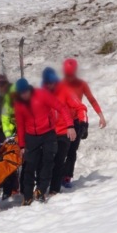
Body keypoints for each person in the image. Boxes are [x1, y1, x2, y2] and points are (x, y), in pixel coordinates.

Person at [14, 78, 76, 205]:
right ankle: (27, 195)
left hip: (48, 133)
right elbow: (20, 125)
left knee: (48, 162)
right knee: (30, 166)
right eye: (21, 93)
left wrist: (70, 125)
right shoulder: (19, 104)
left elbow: (61, 107)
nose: (24, 95)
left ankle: (41, 190)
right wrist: (21, 145)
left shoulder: (41, 94)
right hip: (31, 136)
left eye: (25, 91)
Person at [41, 67, 87, 195]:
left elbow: (80, 107)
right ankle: (42, 187)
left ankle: (54, 189)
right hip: (48, 133)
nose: (50, 85)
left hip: (64, 131)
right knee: (46, 160)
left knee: (59, 159)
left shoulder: (65, 92)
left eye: (52, 82)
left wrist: (83, 122)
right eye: (47, 82)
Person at [62, 58, 107, 188]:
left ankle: (67, 177)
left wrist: (101, 116)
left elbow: (91, 100)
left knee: (72, 150)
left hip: (76, 122)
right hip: (61, 122)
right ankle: (56, 175)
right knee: (60, 151)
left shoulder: (81, 84)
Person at [0, 74, 19, 200]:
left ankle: (13, 188)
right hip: (2, 131)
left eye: (2, 85)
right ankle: (2, 184)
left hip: (16, 131)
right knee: (1, 158)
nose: (0, 88)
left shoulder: (14, 93)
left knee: (12, 159)